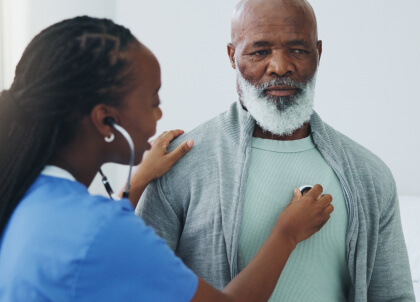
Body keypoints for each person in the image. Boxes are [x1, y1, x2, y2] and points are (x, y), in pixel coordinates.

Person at [0, 16, 335, 301]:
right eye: (153, 101)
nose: (159, 115)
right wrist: (286, 234)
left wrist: (141, 178)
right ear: (106, 121)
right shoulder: (101, 231)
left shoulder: (24, 195)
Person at [136, 0, 416, 301]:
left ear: (318, 54)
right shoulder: (179, 165)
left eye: (298, 49)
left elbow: (393, 295)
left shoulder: (369, 175)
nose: (280, 66)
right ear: (232, 56)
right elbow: (139, 286)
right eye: (260, 51)